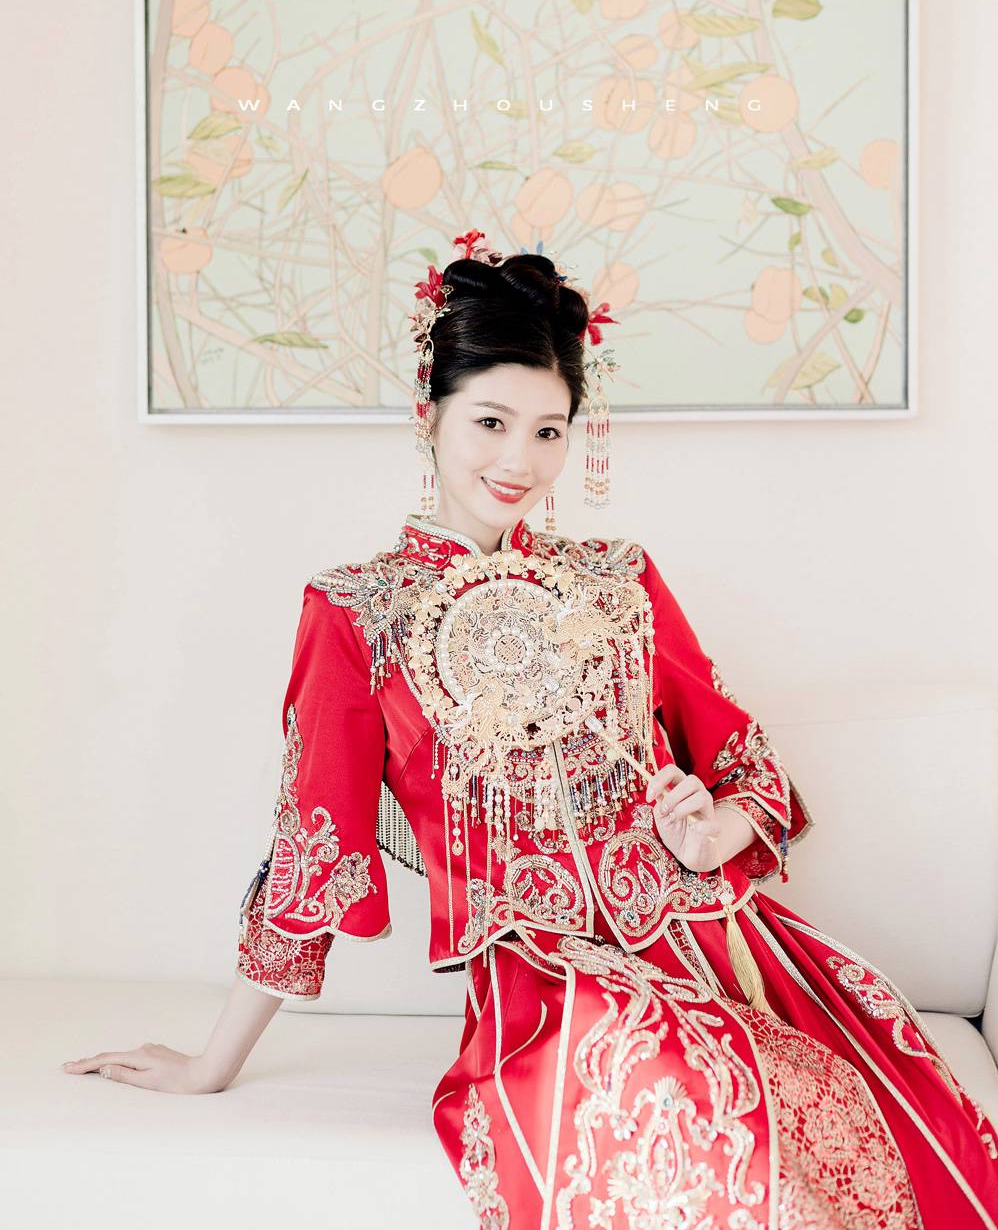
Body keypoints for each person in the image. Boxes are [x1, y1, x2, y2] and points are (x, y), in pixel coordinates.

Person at [63, 230, 998, 1229]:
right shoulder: (356, 614)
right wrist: (212, 1061)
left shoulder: (621, 582)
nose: (519, 460)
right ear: (427, 414)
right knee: (697, 1105)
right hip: (554, 981)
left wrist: (710, 830)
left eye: (548, 430)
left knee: (889, 1117)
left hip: (728, 943)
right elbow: (313, 846)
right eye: (490, 421)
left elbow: (746, 765)